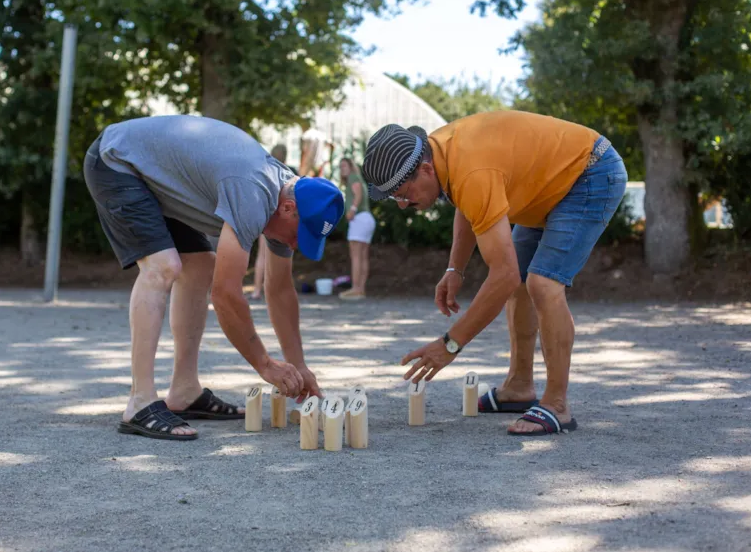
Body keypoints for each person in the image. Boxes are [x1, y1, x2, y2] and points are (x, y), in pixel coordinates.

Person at [361, 111, 627, 436]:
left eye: (402, 193)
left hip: (589, 174)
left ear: (425, 169)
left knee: (542, 283)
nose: (402, 205)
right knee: (521, 284)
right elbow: (465, 202)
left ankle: (557, 405)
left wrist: (449, 345)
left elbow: (503, 275)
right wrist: (455, 268)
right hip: (547, 188)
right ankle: (519, 387)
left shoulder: (472, 168)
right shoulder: (441, 150)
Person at [83, 115, 344, 441]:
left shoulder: (287, 201)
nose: (295, 245)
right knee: (163, 266)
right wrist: (264, 364)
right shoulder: (254, 192)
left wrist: (298, 366)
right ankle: (139, 402)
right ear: (289, 209)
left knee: (201, 265)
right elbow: (226, 295)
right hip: (118, 161)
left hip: (156, 177)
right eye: (298, 236)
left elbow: (278, 290)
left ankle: (184, 391)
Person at [250, 144, 295, 300]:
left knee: (261, 256)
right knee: (279, 257)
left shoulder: (265, 170)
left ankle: (257, 290)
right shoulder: (289, 173)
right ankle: (275, 291)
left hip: (264, 216)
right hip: (280, 220)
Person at [338, 157, 375, 300]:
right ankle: (361, 289)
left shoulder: (353, 178)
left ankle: (355, 288)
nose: (343, 169)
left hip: (359, 218)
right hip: (367, 218)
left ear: (351, 167)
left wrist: (352, 209)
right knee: (363, 256)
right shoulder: (358, 178)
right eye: (341, 167)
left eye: (345, 166)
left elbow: (358, 193)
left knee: (356, 256)